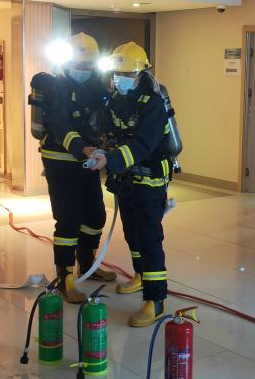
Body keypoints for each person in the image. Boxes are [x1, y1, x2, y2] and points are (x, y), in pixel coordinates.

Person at [86, 41, 172, 327]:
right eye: (117, 74)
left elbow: (143, 144)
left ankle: (155, 299)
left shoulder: (153, 104)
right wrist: (101, 148)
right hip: (125, 179)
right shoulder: (116, 99)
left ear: (140, 74)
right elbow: (109, 132)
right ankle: (140, 275)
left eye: (126, 75)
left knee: (149, 238)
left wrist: (110, 159)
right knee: (132, 233)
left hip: (150, 180)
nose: (120, 79)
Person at [36, 32, 117, 304]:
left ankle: (87, 264)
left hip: (88, 160)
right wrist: (82, 147)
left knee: (95, 216)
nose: (83, 70)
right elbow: (59, 125)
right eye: (78, 65)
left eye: (87, 65)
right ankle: (65, 277)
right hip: (60, 160)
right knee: (68, 219)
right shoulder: (54, 87)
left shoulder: (97, 86)